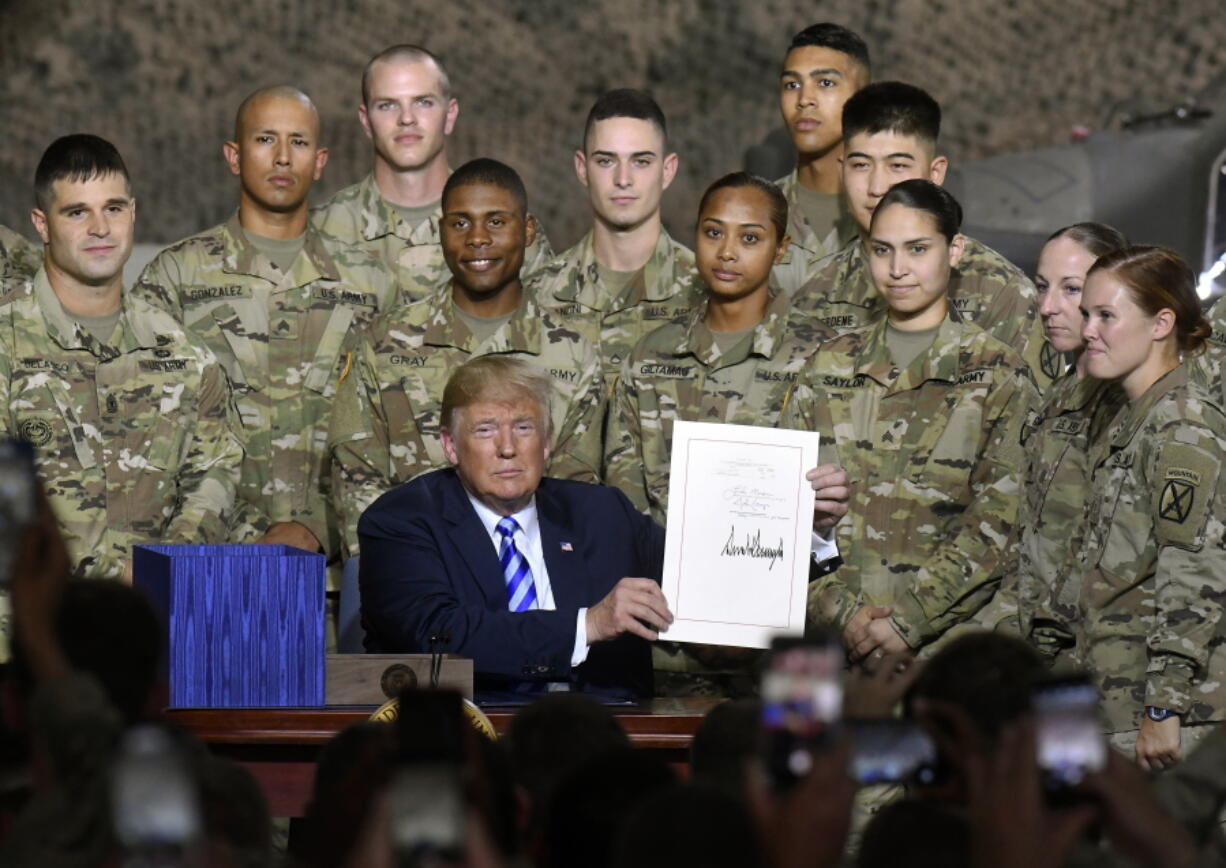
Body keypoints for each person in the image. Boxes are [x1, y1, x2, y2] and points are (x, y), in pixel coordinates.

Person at [135, 86, 398, 570]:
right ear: (234, 156)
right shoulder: (175, 278)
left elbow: (400, 435)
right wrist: (242, 534)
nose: (282, 157)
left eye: (298, 142)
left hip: (342, 577)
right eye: (264, 140)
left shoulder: (374, 284)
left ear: (320, 161)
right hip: (215, 569)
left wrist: (318, 528)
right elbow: (151, 437)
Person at [603, 172, 841, 695]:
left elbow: (836, 511)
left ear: (782, 249)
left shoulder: (826, 357)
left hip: (783, 650)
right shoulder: (650, 356)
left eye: (750, 237)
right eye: (713, 233)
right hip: (662, 643)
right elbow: (625, 505)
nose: (728, 251)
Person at [782, 180, 1037, 659]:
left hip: (946, 656)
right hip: (832, 650)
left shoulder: (997, 375)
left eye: (917, 249)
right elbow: (782, 512)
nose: (898, 269)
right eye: (882, 250)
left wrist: (907, 623)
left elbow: (1000, 524)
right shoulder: (825, 368)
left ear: (954, 250)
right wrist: (843, 615)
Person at [328, 159, 604, 561]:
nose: (477, 238)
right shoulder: (383, 343)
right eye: (460, 223)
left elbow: (575, 491)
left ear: (527, 231)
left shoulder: (574, 355)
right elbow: (356, 478)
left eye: (496, 222)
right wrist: (405, 570)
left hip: (530, 582)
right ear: (441, 233)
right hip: (414, 576)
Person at [358, 355, 674, 701]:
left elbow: (697, 574)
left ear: (547, 441)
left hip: (598, 737)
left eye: (524, 428)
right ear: (450, 445)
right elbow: (438, 635)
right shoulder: (401, 520)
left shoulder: (605, 513)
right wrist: (588, 625)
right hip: (463, 735)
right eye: (485, 430)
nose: (507, 448)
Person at [0, 134, 241, 584]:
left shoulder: (188, 358)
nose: (100, 228)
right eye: (77, 212)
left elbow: (214, 476)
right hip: (25, 634)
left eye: (112, 208)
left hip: (145, 630)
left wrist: (159, 567)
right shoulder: (6, 343)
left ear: (133, 212)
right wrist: (97, 586)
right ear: (42, 223)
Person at [1062, 246, 1226, 769]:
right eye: (1087, 314)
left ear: (1161, 323)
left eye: (1107, 315)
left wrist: (1165, 705)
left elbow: (1194, 570)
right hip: (1115, 700)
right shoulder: (1129, 415)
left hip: (1164, 718)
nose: (1088, 330)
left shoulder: (1182, 426)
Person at [791, 81, 1055, 391]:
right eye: (861, 165)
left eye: (898, 165)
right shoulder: (815, 292)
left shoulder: (1000, 292)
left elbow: (1031, 423)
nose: (877, 186)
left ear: (935, 174)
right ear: (841, 171)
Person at [977, 224, 1127, 658]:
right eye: (1042, 287)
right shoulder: (1055, 394)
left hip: (1094, 654)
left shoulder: (1131, 406)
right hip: (1030, 640)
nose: (1047, 307)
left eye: (1071, 289)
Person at [312, 44, 553, 300]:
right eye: (387, 105)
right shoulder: (318, 231)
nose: (406, 118)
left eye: (423, 102)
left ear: (450, 115)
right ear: (365, 121)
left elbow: (550, 333)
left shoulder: (511, 232)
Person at [533, 88, 705, 383]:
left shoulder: (707, 295)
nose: (623, 179)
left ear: (667, 170)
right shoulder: (535, 295)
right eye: (605, 161)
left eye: (641, 161)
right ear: (582, 168)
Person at [770, 22, 870, 295]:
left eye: (825, 83)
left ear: (862, 97)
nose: (804, 99)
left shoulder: (892, 212)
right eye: (792, 84)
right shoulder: (755, 212)